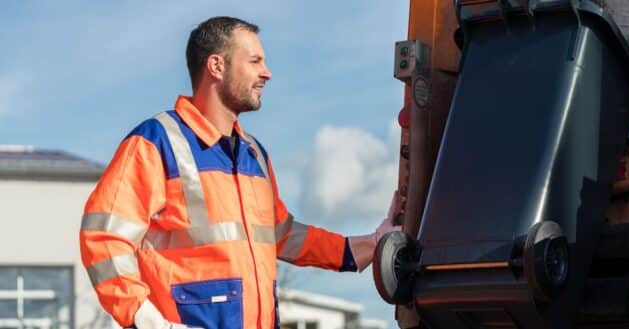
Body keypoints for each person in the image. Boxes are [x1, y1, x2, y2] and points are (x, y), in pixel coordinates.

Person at [79, 16, 399, 329]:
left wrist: (371, 244)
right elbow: (104, 237)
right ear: (217, 66)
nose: (267, 73)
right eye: (255, 61)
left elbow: (282, 235)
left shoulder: (254, 153)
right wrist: (145, 320)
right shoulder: (156, 142)